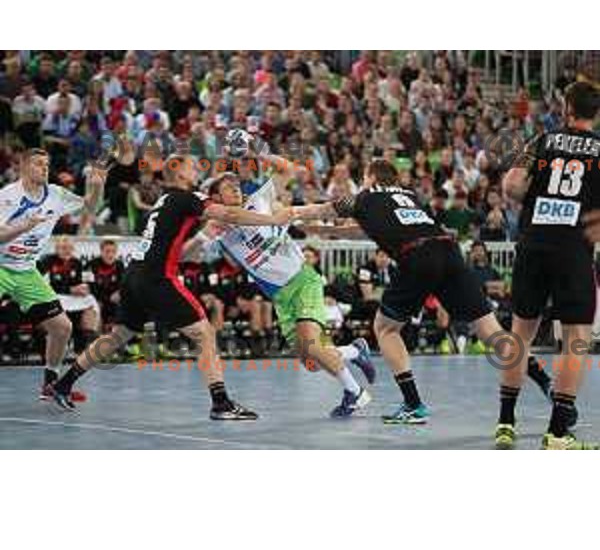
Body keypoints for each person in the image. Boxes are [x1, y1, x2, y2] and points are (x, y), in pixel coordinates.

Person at [50, 153, 295, 420]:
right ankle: (221, 403)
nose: (197, 168)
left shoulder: (165, 198)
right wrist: (272, 220)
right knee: (205, 333)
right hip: (157, 277)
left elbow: (195, 229)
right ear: (179, 174)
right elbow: (227, 212)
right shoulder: (186, 197)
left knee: (117, 337)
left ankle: (63, 384)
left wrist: (210, 226)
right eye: (192, 165)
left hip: (134, 275)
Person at [294, 159, 511, 425]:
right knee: (490, 329)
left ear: (372, 177)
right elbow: (362, 229)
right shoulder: (409, 196)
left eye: (364, 176)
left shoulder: (366, 196)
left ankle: (412, 403)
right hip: (449, 251)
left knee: (385, 328)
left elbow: (326, 209)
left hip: (419, 256)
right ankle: (546, 384)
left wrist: (287, 214)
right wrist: (314, 230)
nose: (363, 181)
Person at [186, 132, 376, 418]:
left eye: (237, 184)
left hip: (302, 280)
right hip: (279, 296)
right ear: (215, 199)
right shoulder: (220, 228)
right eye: (227, 187)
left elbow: (287, 168)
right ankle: (352, 351)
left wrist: (256, 150)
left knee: (313, 346)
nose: (235, 188)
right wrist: (203, 235)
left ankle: (355, 392)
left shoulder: (259, 200)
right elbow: (187, 255)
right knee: (308, 357)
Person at [499, 81, 600, 449]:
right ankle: (558, 432)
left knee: (520, 334)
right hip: (573, 250)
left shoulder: (542, 142)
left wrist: (540, 198)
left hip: (533, 244)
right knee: (576, 340)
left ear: (567, 108)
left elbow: (512, 186)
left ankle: (505, 422)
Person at [0, 148, 106, 401]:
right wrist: (24, 226)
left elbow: (89, 208)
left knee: (62, 327)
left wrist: (96, 187)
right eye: (38, 164)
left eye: (47, 165)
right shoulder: (7, 196)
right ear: (24, 166)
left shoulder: (56, 195)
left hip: (26, 271)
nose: (45, 168)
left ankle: (51, 384)